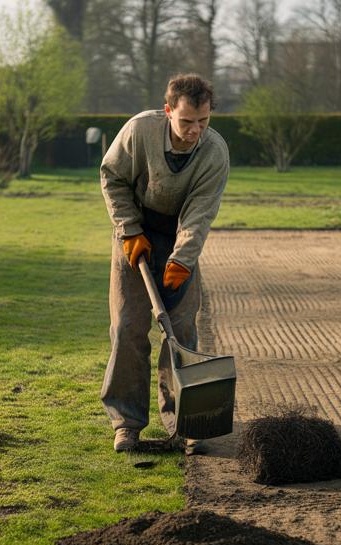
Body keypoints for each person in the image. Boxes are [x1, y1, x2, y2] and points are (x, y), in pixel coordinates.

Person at [99, 73, 230, 453]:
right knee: (127, 327)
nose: (195, 131)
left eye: (203, 122)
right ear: (168, 110)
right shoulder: (140, 131)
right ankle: (126, 423)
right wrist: (129, 230)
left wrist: (182, 260)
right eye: (187, 121)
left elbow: (200, 213)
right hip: (135, 234)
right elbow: (112, 178)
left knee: (182, 331)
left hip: (179, 238)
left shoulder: (214, 152)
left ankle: (188, 420)